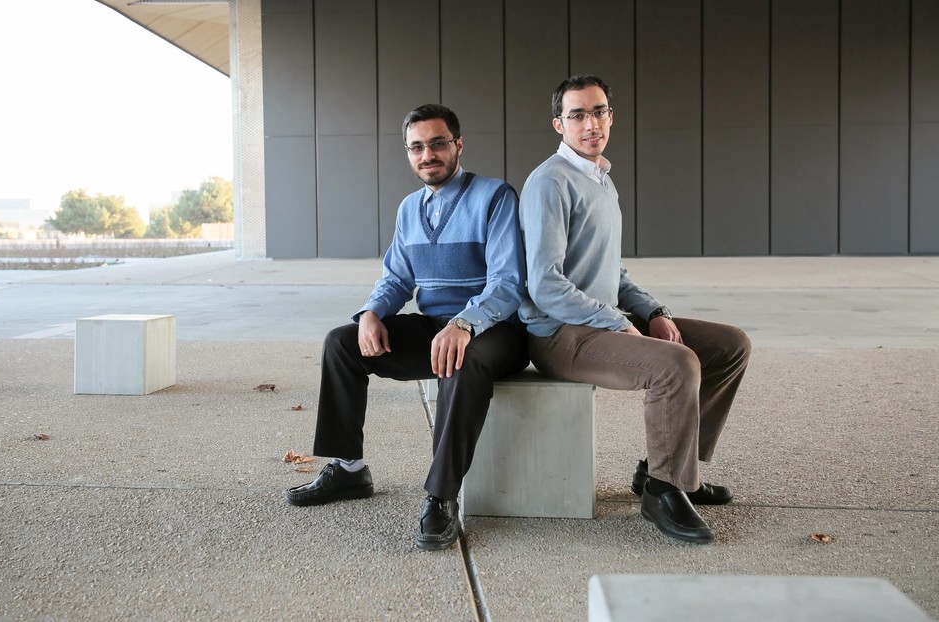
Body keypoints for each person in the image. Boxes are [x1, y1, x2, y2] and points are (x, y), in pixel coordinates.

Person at [518, 75, 752, 544]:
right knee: (676, 364)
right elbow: (544, 284)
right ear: (558, 124)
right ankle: (663, 493)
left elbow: (613, 272)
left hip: (603, 321)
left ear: (611, 116)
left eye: (599, 111)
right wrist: (618, 322)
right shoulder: (549, 183)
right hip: (561, 335)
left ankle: (664, 469)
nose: (591, 124)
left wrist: (655, 312)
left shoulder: (601, 180)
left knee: (729, 346)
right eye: (578, 115)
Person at [286, 103, 530, 551]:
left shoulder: (495, 197)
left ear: (458, 145)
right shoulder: (408, 209)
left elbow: (508, 283)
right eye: (416, 147)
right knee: (342, 342)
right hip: (435, 328)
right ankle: (349, 469)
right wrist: (372, 314)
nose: (427, 154)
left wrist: (464, 324)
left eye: (438, 143)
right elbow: (397, 278)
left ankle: (441, 496)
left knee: (461, 356)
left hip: (497, 333)